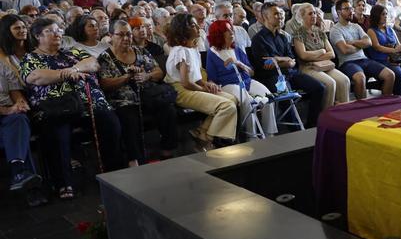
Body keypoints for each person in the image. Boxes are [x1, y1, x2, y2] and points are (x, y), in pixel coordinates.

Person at [21, 18, 123, 199]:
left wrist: (73, 69)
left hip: (88, 103)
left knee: (109, 121)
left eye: (59, 30)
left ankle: (112, 172)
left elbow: (93, 63)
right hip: (57, 106)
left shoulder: (72, 52)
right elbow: (37, 77)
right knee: (58, 132)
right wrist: (65, 74)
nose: (58, 34)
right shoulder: (31, 58)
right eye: (51, 31)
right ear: (37, 36)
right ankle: (63, 182)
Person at [97, 20, 177, 164]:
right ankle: (134, 160)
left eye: (128, 34)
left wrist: (147, 76)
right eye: (121, 35)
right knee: (129, 117)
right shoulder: (105, 58)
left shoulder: (140, 51)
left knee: (168, 110)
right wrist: (126, 77)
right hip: (122, 100)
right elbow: (104, 84)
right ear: (111, 36)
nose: (126, 38)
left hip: (146, 96)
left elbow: (159, 72)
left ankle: (167, 150)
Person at [164, 13, 237, 150]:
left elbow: (196, 77)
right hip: (181, 91)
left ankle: (202, 132)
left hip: (193, 86)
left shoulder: (193, 49)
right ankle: (206, 140)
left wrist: (207, 84)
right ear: (182, 30)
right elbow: (185, 82)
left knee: (232, 99)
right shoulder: (181, 51)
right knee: (227, 106)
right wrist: (203, 90)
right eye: (192, 25)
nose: (198, 27)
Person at [250, 3, 325, 127]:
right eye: (276, 14)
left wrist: (278, 59)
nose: (280, 17)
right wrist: (284, 61)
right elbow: (266, 64)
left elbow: (292, 60)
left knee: (319, 88)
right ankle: (295, 130)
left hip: (290, 74)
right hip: (271, 77)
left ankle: (312, 125)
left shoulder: (283, 37)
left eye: (281, 14)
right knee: (286, 96)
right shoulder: (258, 39)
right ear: (265, 17)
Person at [206, 19, 277, 138]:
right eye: (227, 30)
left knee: (269, 97)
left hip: (246, 81)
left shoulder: (237, 49)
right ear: (219, 34)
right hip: (227, 85)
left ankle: (269, 133)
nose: (232, 32)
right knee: (247, 102)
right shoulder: (212, 53)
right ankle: (251, 135)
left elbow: (251, 72)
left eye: (231, 29)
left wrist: (239, 64)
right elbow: (212, 78)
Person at [0, 15, 42, 198]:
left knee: (20, 119)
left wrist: (19, 103)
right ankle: (29, 186)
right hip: (2, 111)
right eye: (16, 28)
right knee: (17, 126)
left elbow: (13, 87)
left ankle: (21, 175)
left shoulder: (2, 63)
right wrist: (8, 110)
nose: (22, 30)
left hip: (7, 112)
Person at [330, 0, 395, 99]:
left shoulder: (356, 26)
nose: (351, 11)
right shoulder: (335, 30)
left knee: (390, 75)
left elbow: (368, 43)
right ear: (339, 12)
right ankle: (363, 110)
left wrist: (353, 43)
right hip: (348, 62)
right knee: (360, 78)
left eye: (351, 8)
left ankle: (384, 105)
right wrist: (360, 45)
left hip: (364, 59)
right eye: (347, 9)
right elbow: (344, 50)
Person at [289, 4, 350, 109]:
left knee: (344, 80)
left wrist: (314, 55)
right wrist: (321, 51)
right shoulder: (298, 33)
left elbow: (332, 54)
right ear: (302, 16)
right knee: (330, 83)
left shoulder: (320, 31)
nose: (314, 15)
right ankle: (326, 116)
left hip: (325, 65)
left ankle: (344, 112)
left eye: (315, 13)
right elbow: (303, 56)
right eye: (310, 13)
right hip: (308, 67)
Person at [366, 5, 401, 97]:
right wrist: (393, 50)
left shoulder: (390, 29)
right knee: (399, 75)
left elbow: (398, 43)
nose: (385, 16)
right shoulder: (371, 31)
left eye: (386, 14)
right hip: (383, 60)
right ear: (376, 15)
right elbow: (377, 47)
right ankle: (399, 102)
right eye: (382, 14)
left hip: (397, 58)